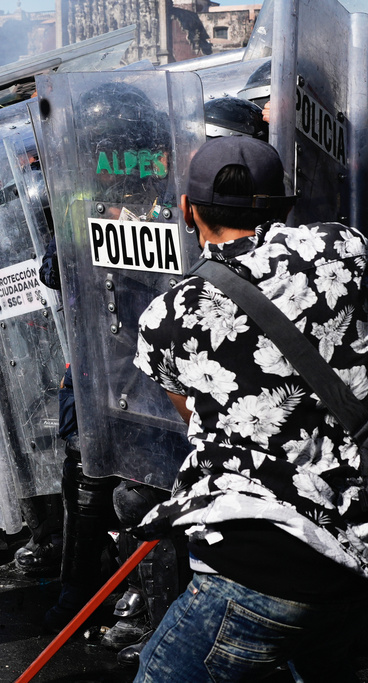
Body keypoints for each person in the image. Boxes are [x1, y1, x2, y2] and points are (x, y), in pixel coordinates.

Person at [132, 136, 368, 680]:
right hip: (353, 553)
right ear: (283, 203)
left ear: (187, 210)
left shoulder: (166, 316)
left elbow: (192, 414)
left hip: (256, 565)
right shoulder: (347, 249)